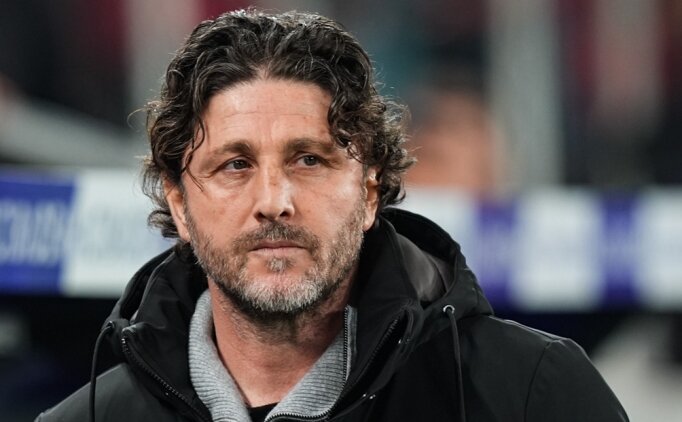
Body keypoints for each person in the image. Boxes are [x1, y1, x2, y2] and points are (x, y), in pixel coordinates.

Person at [36, 9, 628, 422]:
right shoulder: (84, 420)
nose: (274, 200)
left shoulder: (532, 395)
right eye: (235, 165)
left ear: (370, 190)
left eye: (309, 159)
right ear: (179, 205)